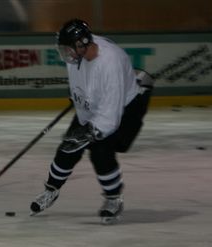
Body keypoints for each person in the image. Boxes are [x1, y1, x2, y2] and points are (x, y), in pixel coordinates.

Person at [30, 19, 153, 224]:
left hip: (123, 108)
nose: (66, 54)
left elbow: (111, 115)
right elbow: (82, 78)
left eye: (68, 49)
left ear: (83, 44)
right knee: (68, 148)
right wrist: (78, 97)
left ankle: (113, 199)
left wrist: (90, 133)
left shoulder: (111, 63)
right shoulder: (77, 53)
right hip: (94, 105)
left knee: (101, 152)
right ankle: (51, 191)